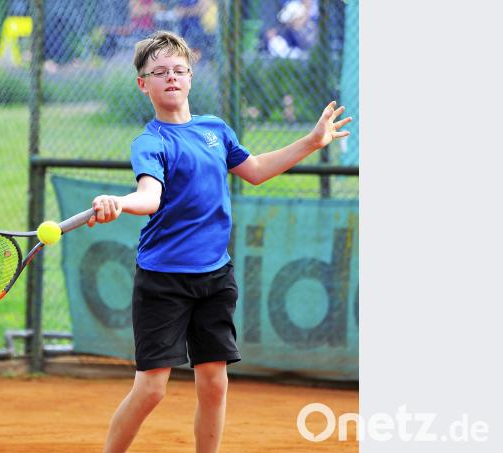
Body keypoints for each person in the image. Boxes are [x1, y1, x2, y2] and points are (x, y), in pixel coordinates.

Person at [87, 31, 350, 452]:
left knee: (214, 383)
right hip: (163, 281)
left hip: (214, 276)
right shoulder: (151, 142)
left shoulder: (215, 130)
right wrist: (118, 202)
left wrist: (312, 142)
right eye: (159, 72)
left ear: (190, 77)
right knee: (152, 389)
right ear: (143, 84)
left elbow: (257, 169)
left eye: (178, 70)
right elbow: (150, 196)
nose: (171, 78)